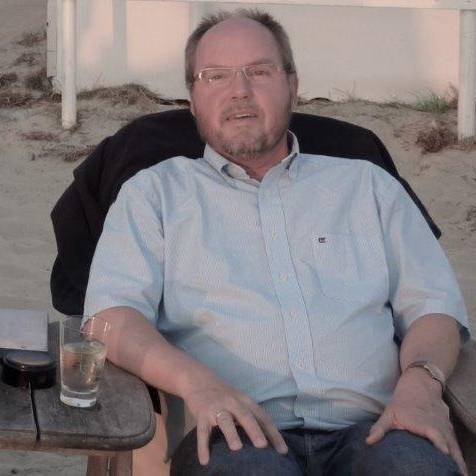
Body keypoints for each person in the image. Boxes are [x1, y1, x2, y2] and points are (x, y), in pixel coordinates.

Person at [83, 9, 469, 476]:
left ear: (292, 84)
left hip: (379, 428)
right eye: (215, 76)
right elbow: (111, 318)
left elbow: (434, 307)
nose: (239, 91)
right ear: (193, 98)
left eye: (259, 71)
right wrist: (198, 385)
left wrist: (421, 385)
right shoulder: (154, 195)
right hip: (233, 436)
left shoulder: (368, 187)